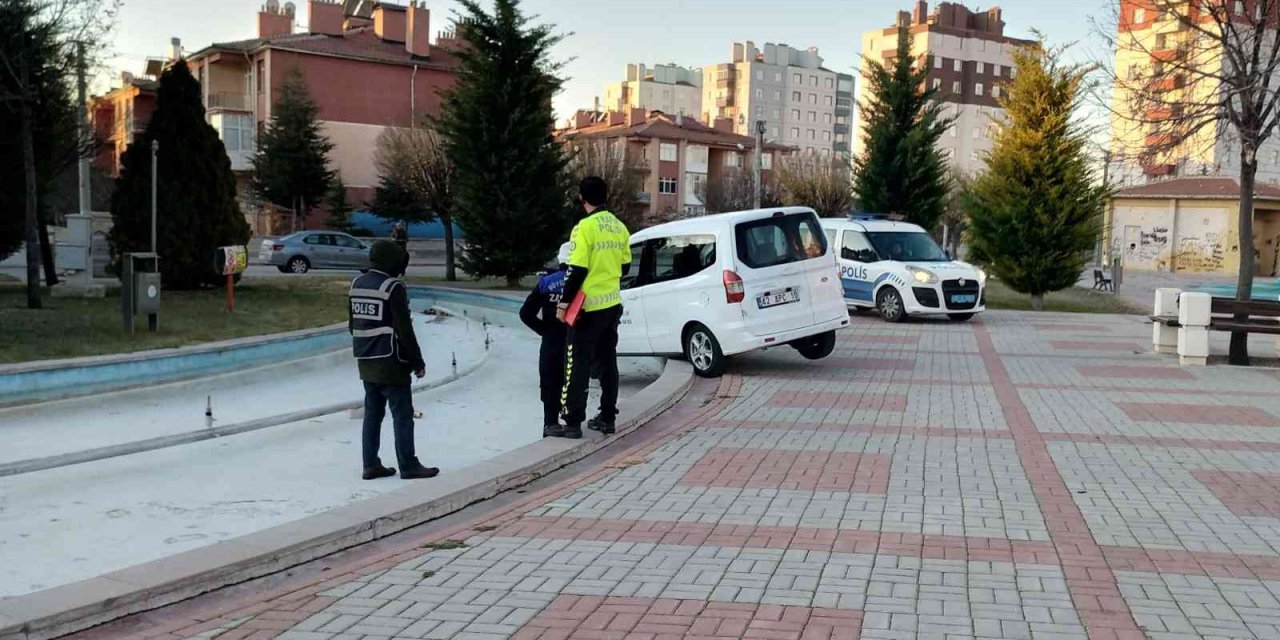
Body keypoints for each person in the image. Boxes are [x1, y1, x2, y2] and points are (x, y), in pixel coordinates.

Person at [348, 240, 438, 480]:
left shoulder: (357, 284)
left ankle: (370, 464)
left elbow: (351, 326)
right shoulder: (392, 287)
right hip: (391, 362)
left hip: (365, 360)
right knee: (402, 415)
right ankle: (408, 465)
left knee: (372, 415)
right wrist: (417, 362)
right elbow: (404, 329)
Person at [554, 176, 631, 439]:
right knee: (608, 361)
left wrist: (564, 304)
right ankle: (607, 417)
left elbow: (575, 270)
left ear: (582, 198)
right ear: (606, 195)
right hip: (612, 305)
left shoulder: (584, 228)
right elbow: (625, 267)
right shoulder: (619, 227)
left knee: (577, 364)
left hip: (587, 309)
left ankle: (573, 422)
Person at [519, 242, 571, 437]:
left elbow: (525, 314)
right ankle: (572, 423)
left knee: (550, 382)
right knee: (573, 381)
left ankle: (550, 423)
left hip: (551, 342)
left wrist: (545, 331)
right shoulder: (583, 282)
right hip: (574, 341)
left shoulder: (546, 282)